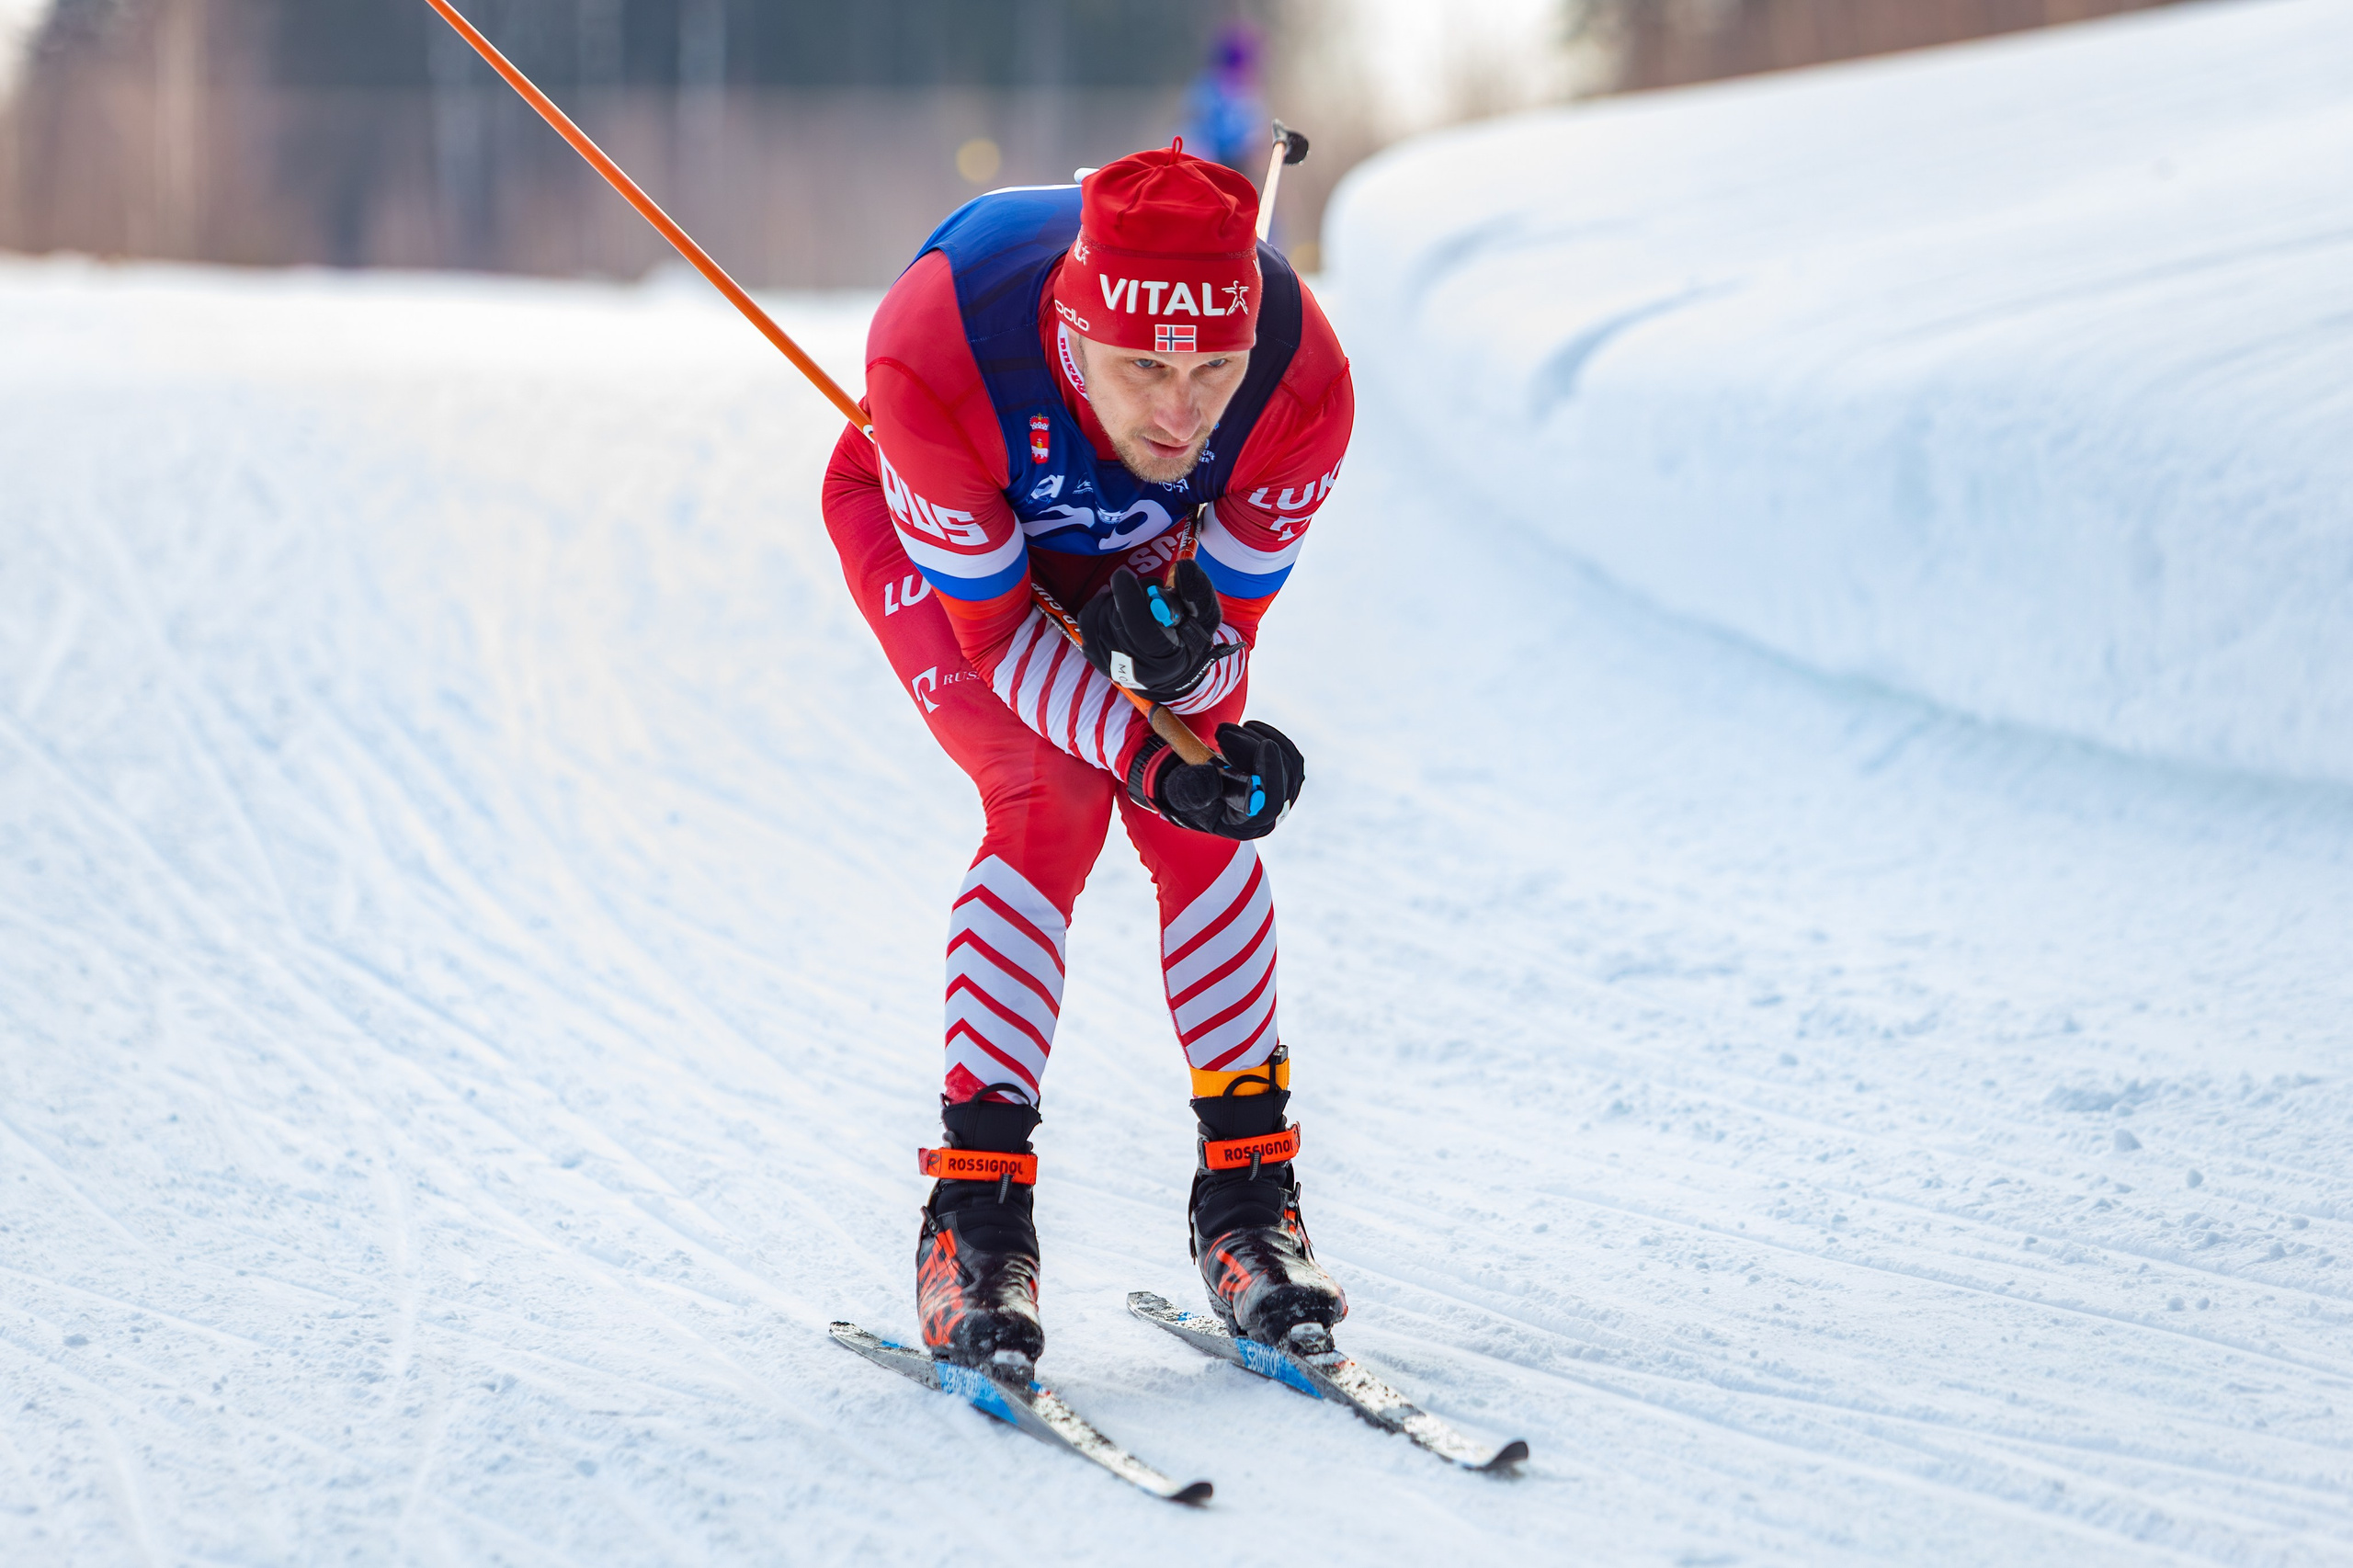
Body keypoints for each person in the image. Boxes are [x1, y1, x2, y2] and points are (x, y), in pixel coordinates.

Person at [820, 142, 1353, 1377]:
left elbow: (1225, 645)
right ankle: (975, 1216)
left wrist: (1187, 679)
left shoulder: (1299, 387)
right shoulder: (934, 356)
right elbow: (1001, 638)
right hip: (959, 549)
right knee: (1049, 795)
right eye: (1144, 368)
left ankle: (1249, 1204)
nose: (1181, 410)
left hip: (1134, 565)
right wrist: (1153, 752)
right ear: (1072, 326)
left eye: (1212, 367)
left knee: (1200, 821)